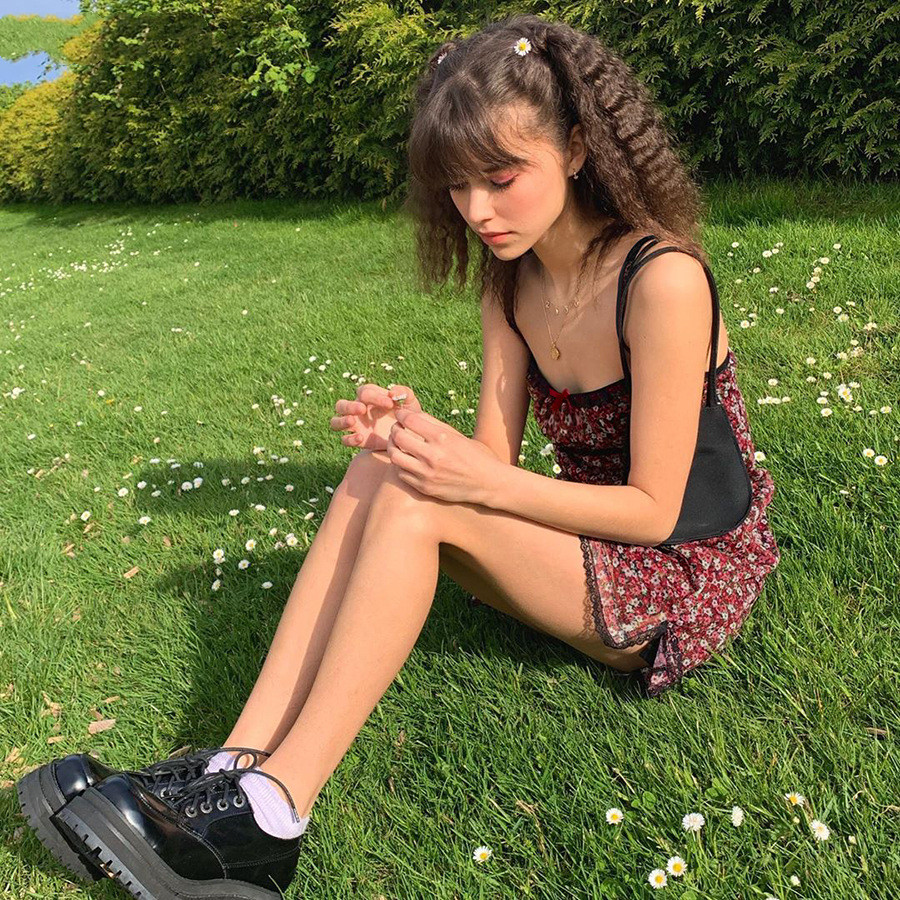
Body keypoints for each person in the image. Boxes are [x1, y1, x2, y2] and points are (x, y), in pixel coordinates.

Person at [19, 13, 780, 899]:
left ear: (577, 149)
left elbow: (654, 510)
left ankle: (275, 813)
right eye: (456, 187)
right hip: (585, 545)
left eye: (501, 178)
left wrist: (465, 477)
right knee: (390, 467)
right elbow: (491, 461)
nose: (477, 211)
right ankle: (236, 763)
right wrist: (415, 438)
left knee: (420, 495)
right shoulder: (514, 284)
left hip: (679, 570)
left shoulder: (663, 280)